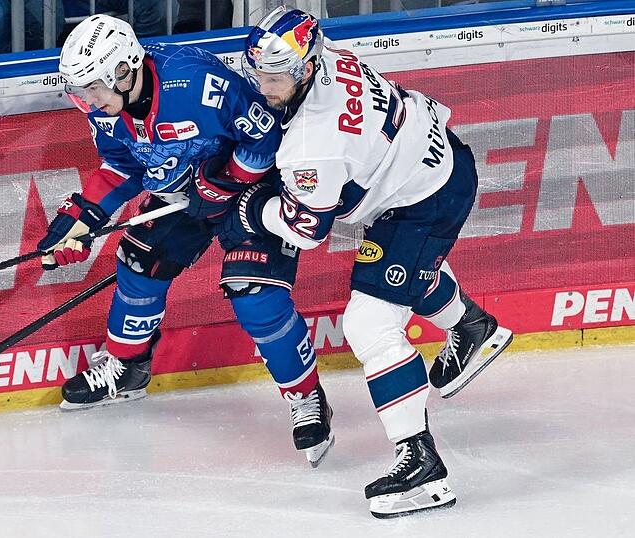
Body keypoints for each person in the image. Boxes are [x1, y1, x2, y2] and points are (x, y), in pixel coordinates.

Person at [220, 6, 513, 518]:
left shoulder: (313, 144)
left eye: (275, 79)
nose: (264, 89)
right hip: (434, 164)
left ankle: (421, 463)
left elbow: (304, 231)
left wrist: (248, 208)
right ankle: (473, 327)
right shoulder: (327, 55)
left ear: (305, 68)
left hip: (423, 202)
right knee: (401, 275)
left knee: (369, 322)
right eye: (259, 76)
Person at [39, 14, 335, 468]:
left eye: (93, 88)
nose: (88, 102)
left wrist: (224, 184)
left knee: (253, 293)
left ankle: (306, 396)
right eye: (79, 91)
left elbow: (265, 135)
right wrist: (83, 215)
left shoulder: (194, 82)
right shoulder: (107, 111)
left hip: (255, 188)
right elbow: (123, 166)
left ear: (124, 71)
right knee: (139, 264)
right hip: (184, 194)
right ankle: (128, 366)